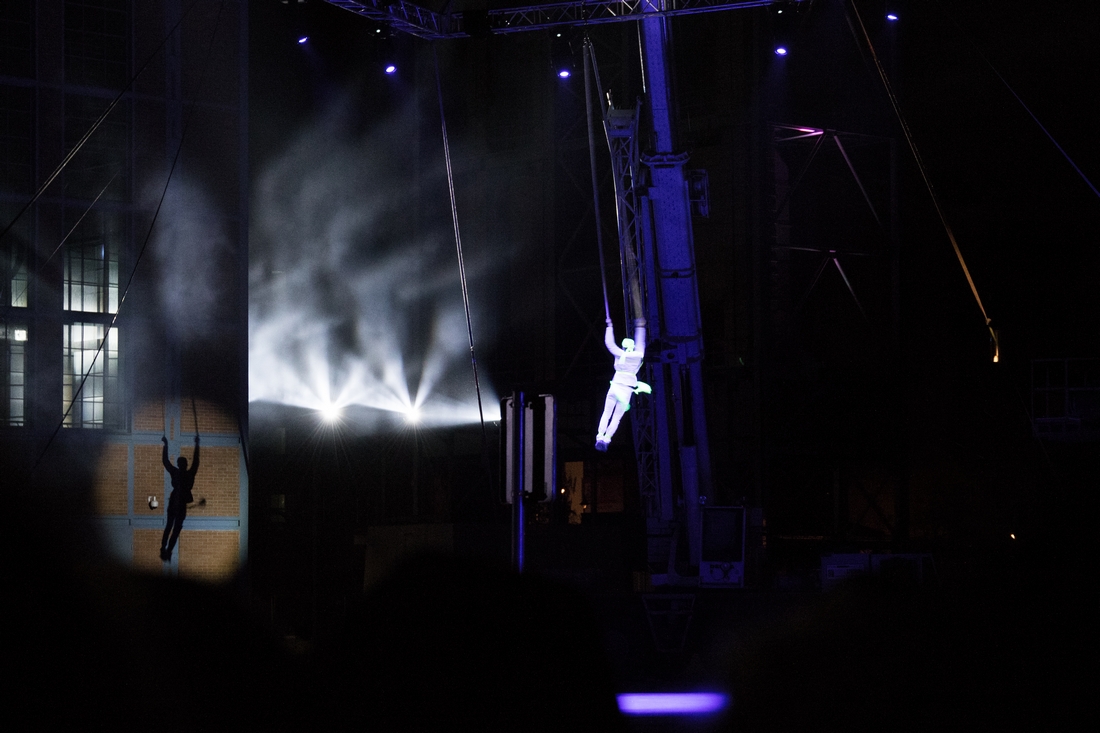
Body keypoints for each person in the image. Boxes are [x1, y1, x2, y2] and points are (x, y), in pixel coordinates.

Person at [595, 318, 650, 452]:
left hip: (615, 387)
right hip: (625, 392)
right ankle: (607, 439)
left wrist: (609, 326)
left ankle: (600, 437)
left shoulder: (620, 354)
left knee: (606, 413)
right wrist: (640, 327)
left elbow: (609, 344)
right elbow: (641, 342)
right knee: (616, 418)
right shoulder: (638, 355)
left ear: (624, 346)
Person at [160, 434, 202, 562]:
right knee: (174, 528)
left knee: (171, 527)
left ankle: (165, 549)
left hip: (176, 503)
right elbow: (196, 461)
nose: (182, 465)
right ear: (183, 464)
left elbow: (166, 461)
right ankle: (166, 550)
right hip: (178, 504)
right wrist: (197, 444)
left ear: (179, 464)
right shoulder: (188, 474)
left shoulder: (178, 472)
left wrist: (166, 445)